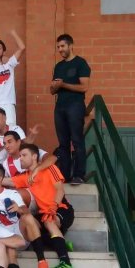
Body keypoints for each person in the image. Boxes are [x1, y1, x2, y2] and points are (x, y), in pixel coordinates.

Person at [2, 143, 75, 268]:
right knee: (32, 228)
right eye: (20, 156)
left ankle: (66, 263)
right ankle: (62, 244)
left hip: (61, 208)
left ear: (35, 156)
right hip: (43, 214)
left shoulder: (50, 168)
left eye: (24, 155)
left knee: (49, 221)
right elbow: (3, 180)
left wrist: (53, 207)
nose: (21, 158)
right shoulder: (25, 177)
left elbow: (60, 190)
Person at [0, 162, 49, 268]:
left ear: (0, 178)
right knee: (10, 249)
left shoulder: (12, 194)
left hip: (16, 232)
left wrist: (18, 209)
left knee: (27, 217)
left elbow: (25, 211)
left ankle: (41, 260)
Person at [51, 34, 91, 185]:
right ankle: (65, 176)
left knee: (77, 140)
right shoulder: (58, 66)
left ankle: (79, 175)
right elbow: (52, 89)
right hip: (60, 106)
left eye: (62, 46)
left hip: (75, 106)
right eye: (58, 47)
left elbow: (84, 87)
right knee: (63, 143)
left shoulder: (81, 63)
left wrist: (63, 85)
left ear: (70, 45)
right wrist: (54, 86)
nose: (60, 49)